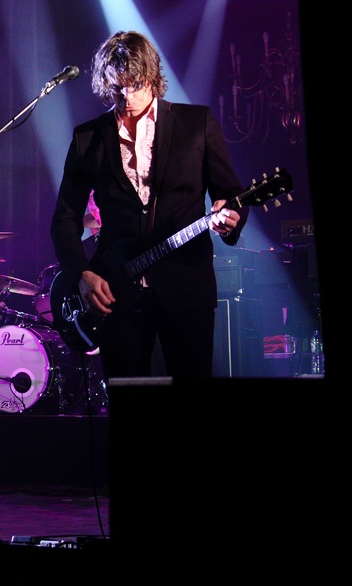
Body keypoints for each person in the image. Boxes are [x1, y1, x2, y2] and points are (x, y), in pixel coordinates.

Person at [50, 30, 248, 379]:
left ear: (152, 78)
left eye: (135, 84)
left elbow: (231, 195)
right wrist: (82, 275)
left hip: (186, 289)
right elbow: (64, 220)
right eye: (117, 87)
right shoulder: (88, 138)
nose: (126, 96)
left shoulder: (195, 124)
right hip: (116, 295)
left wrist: (230, 217)